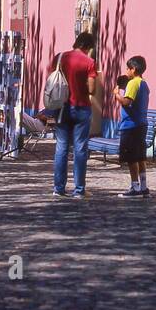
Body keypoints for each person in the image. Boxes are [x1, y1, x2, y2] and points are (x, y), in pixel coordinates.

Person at [47, 31, 101, 199]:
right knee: (80, 149)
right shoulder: (89, 62)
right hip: (81, 108)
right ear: (87, 47)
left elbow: (51, 79)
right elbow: (92, 89)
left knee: (61, 147)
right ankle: (79, 190)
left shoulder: (59, 57)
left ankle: (58, 188)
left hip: (61, 108)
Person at [116, 55, 151, 199]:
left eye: (128, 68)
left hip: (130, 125)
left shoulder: (133, 83)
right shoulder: (144, 84)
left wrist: (116, 94)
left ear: (134, 69)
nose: (126, 71)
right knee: (140, 157)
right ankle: (143, 186)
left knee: (131, 158)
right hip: (142, 124)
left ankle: (134, 186)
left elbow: (126, 102)